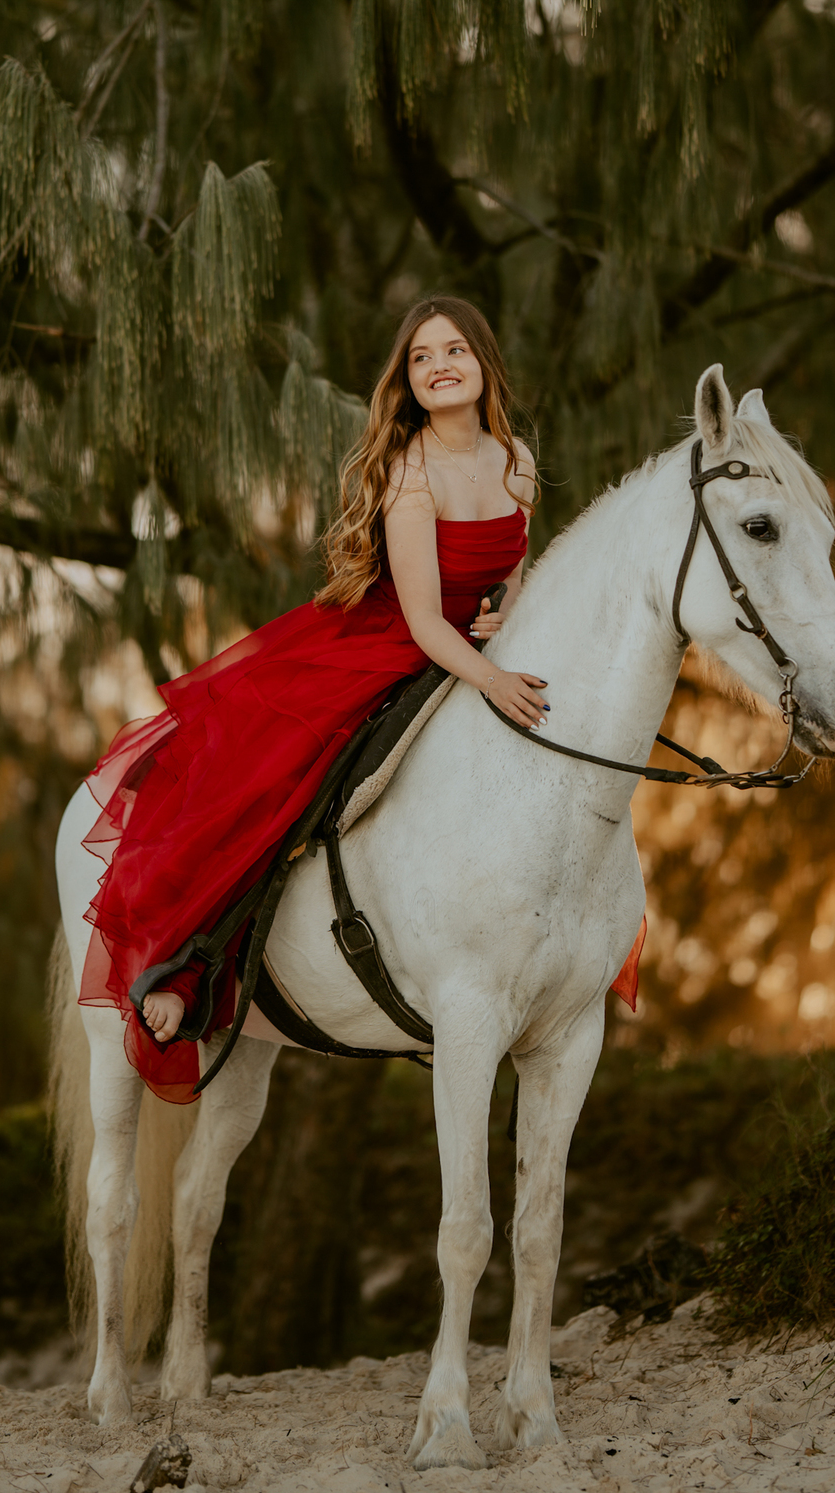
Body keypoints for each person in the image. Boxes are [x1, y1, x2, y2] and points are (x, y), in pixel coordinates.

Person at [78, 296, 549, 1102]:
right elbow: (425, 622)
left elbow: (513, 563)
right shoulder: (410, 471)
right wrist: (491, 675)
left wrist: (505, 608)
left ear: (483, 365)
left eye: (454, 351)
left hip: (473, 643)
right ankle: (185, 967)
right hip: (391, 643)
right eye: (421, 358)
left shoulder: (518, 461)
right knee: (278, 783)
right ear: (408, 380)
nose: (439, 366)